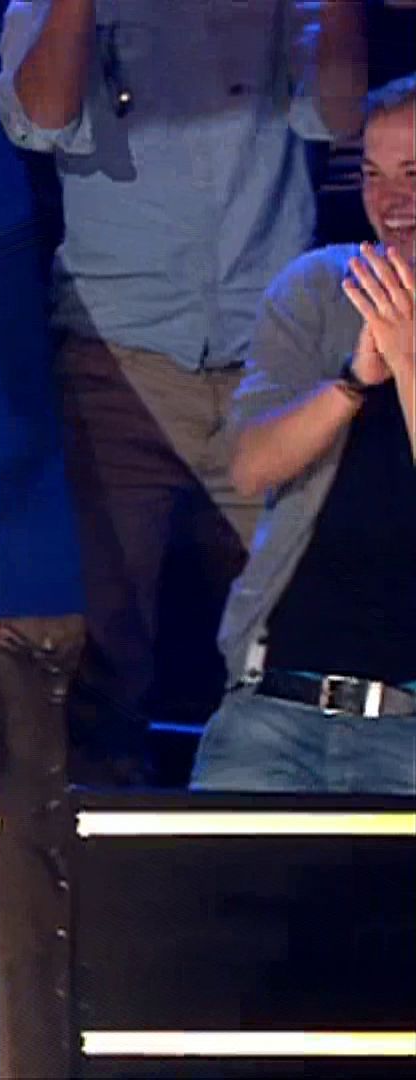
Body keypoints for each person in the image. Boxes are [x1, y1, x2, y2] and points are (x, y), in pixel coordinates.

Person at [0, 0, 368, 784]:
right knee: (103, 650)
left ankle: (270, 835)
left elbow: (338, 112)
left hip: (271, 354)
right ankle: (106, 846)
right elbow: (39, 118)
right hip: (120, 357)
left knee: (289, 639)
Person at [191, 75, 416, 795]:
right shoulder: (320, 286)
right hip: (276, 707)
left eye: (413, 174)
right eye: (373, 175)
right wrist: (354, 380)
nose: (391, 201)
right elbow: (250, 466)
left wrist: (408, 358)